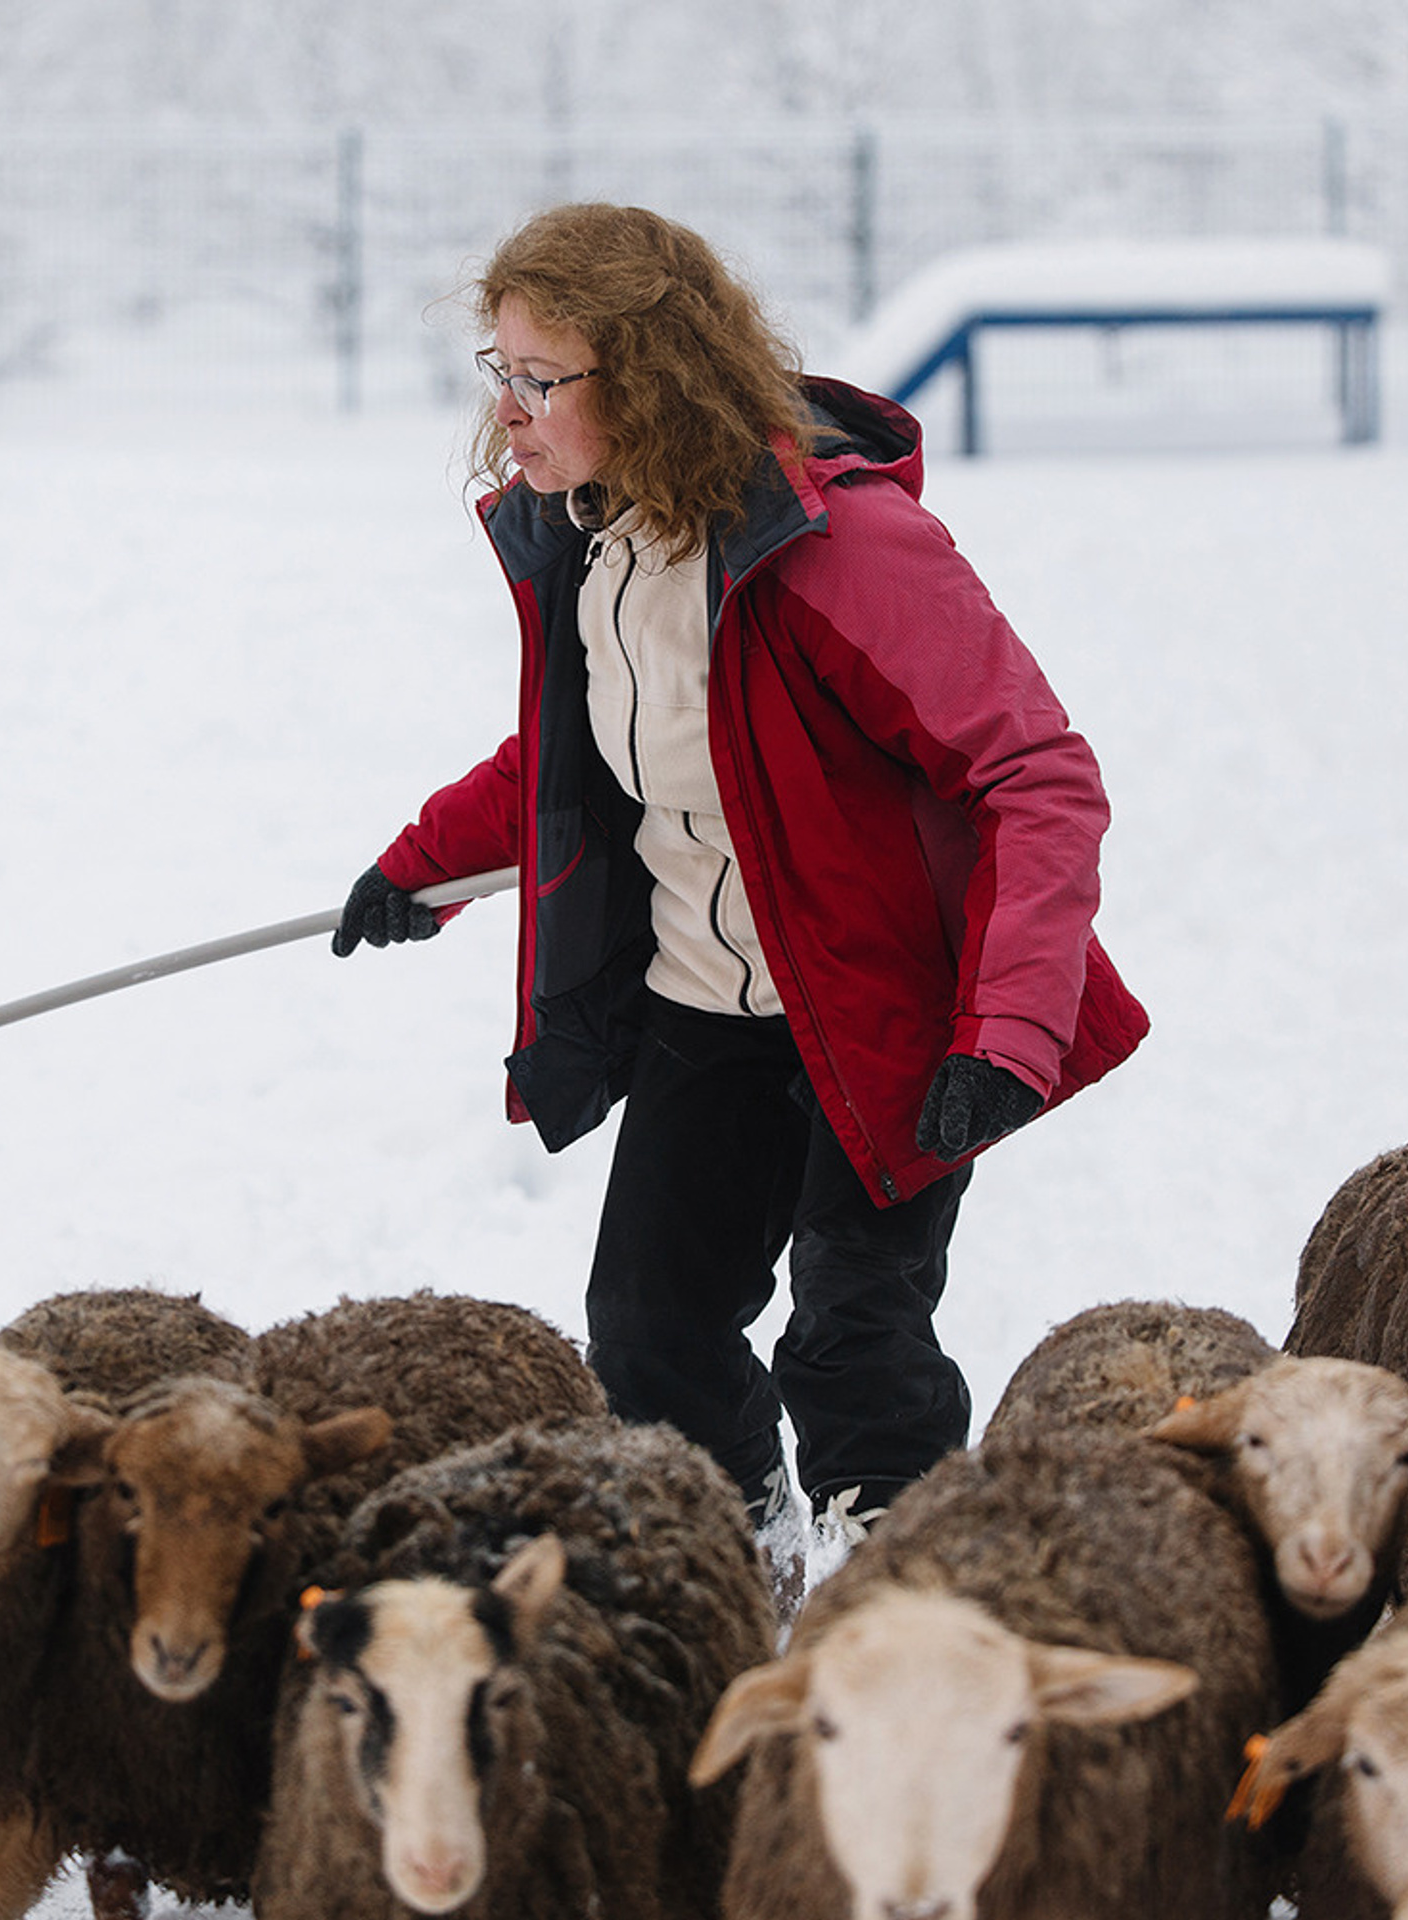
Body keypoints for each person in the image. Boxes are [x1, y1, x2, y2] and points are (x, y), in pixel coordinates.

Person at [331, 203, 1147, 1570]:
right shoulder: (597, 547)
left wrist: (1007, 1030)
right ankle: (741, 1554)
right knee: (650, 1329)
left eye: (543, 379)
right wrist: (419, 868)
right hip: (703, 1005)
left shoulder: (839, 550)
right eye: (501, 371)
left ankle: (897, 1588)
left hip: (883, 1018)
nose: (510, 412)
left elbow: (1036, 776)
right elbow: (575, 758)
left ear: (645, 379)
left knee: (852, 1335)